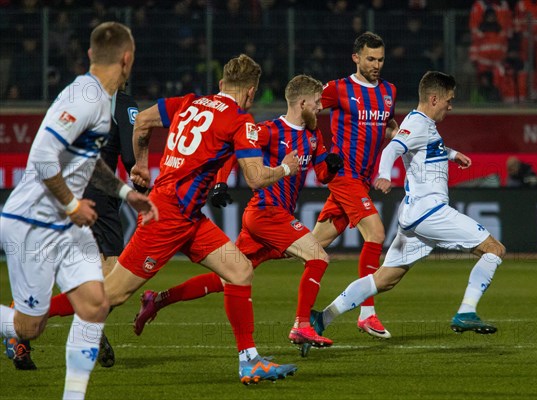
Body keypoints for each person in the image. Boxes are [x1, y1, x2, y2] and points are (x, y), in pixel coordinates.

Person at [25, 54, 300, 385]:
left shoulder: (188, 102)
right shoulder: (241, 122)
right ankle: (20, 322)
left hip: (188, 217)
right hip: (168, 218)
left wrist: (141, 163)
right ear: (252, 92)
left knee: (240, 270)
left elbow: (141, 120)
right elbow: (255, 178)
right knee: (109, 296)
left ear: (222, 84)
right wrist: (286, 167)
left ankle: (249, 361)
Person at [0, 22, 158, 400]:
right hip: (33, 221)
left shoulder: (103, 100)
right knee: (29, 327)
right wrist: (72, 205)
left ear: (90, 54)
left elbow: (89, 162)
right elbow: (40, 157)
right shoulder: (85, 99)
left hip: (66, 220)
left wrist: (124, 191)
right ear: (128, 58)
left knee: (95, 305)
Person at [132, 75, 344, 355]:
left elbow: (321, 174)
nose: (320, 108)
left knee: (228, 278)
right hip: (265, 213)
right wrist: (221, 181)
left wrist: (331, 166)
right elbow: (233, 148)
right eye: (317, 103)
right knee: (318, 256)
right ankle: (302, 324)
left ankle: (157, 300)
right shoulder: (270, 130)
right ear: (302, 102)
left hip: (274, 217)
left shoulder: (312, 136)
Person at [310, 71, 506, 343]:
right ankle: (466, 311)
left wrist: (452, 155)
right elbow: (392, 149)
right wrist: (384, 175)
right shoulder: (417, 124)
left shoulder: (423, 124)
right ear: (434, 98)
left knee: (383, 280)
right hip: (431, 212)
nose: (451, 105)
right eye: (449, 100)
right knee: (494, 249)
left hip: (415, 218)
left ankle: (322, 318)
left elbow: (426, 148)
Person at [7, 86, 145, 370]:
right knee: (114, 279)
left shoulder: (71, 94)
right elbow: (131, 157)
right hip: (95, 195)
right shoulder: (123, 101)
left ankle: (19, 327)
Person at [312, 31, 398, 339]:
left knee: (310, 246)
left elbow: (386, 125)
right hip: (343, 176)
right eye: (370, 58)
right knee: (376, 233)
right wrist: (321, 153)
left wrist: (398, 136)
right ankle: (367, 314)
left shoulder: (389, 91)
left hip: (361, 181)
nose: (376, 64)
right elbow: (305, 110)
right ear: (356, 58)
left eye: (381, 59)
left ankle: (249, 256)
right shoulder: (337, 89)